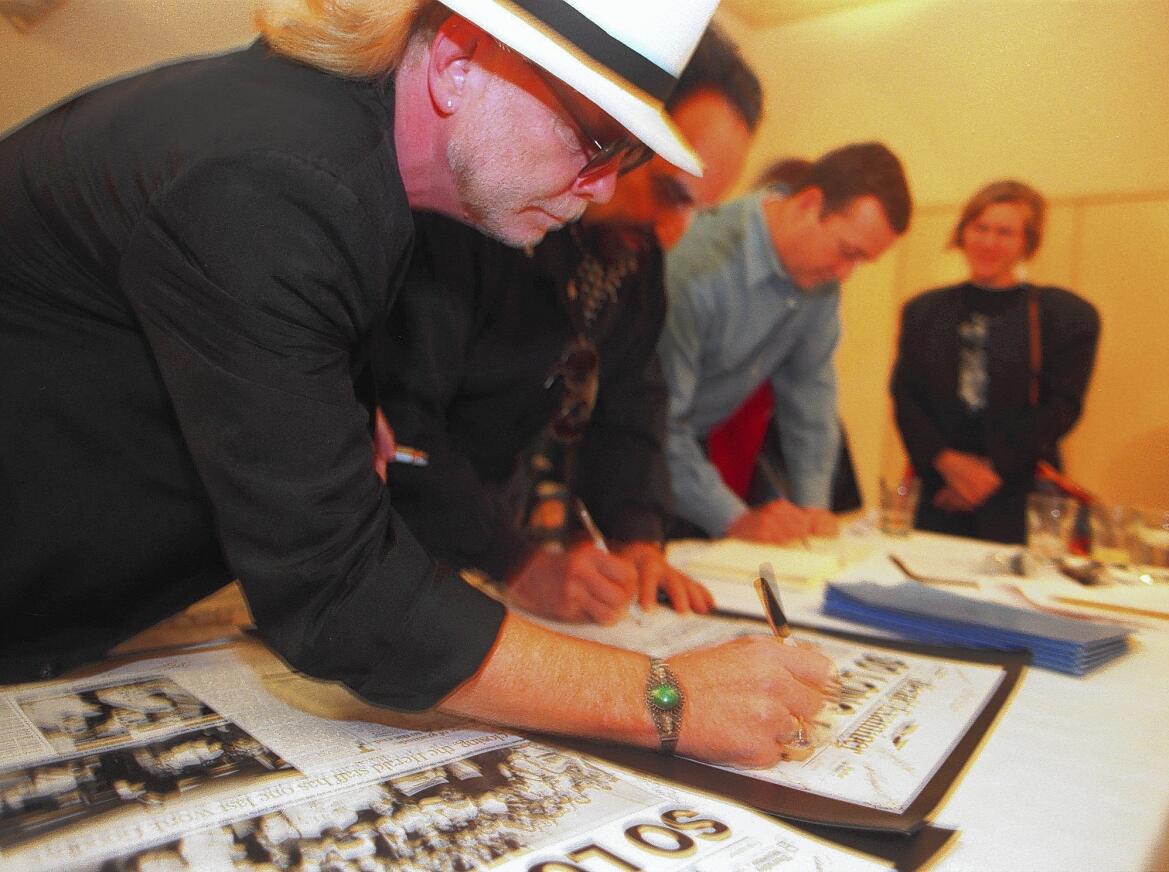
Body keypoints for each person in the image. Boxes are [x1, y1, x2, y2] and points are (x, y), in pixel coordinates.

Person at [0, 0, 833, 768]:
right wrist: (668, 695)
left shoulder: (338, 158)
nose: (606, 189)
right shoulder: (285, 179)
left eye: (629, 155)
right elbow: (341, 596)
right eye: (595, 139)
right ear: (459, 61)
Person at [375, 24, 762, 625]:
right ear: (614, 122)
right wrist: (515, 562)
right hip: (380, 543)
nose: (673, 231)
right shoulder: (484, 201)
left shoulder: (635, 253)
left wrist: (637, 538)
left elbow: (633, 406)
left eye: (698, 211)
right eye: (668, 192)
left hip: (478, 548)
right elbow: (403, 416)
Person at [659, 143, 912, 543]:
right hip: (626, 452)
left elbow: (811, 397)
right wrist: (736, 519)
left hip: (688, 458)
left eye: (861, 261)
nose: (846, 274)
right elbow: (659, 421)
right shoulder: (699, 266)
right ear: (809, 204)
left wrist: (813, 508)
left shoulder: (820, 283)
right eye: (848, 252)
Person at [890, 180, 1100, 543]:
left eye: (1005, 232)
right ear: (963, 231)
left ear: (1027, 242)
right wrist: (947, 463)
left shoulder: (1065, 315)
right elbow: (906, 396)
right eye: (980, 228)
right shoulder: (923, 310)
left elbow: (1062, 406)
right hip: (936, 492)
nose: (988, 242)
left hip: (1019, 499)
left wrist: (985, 475)